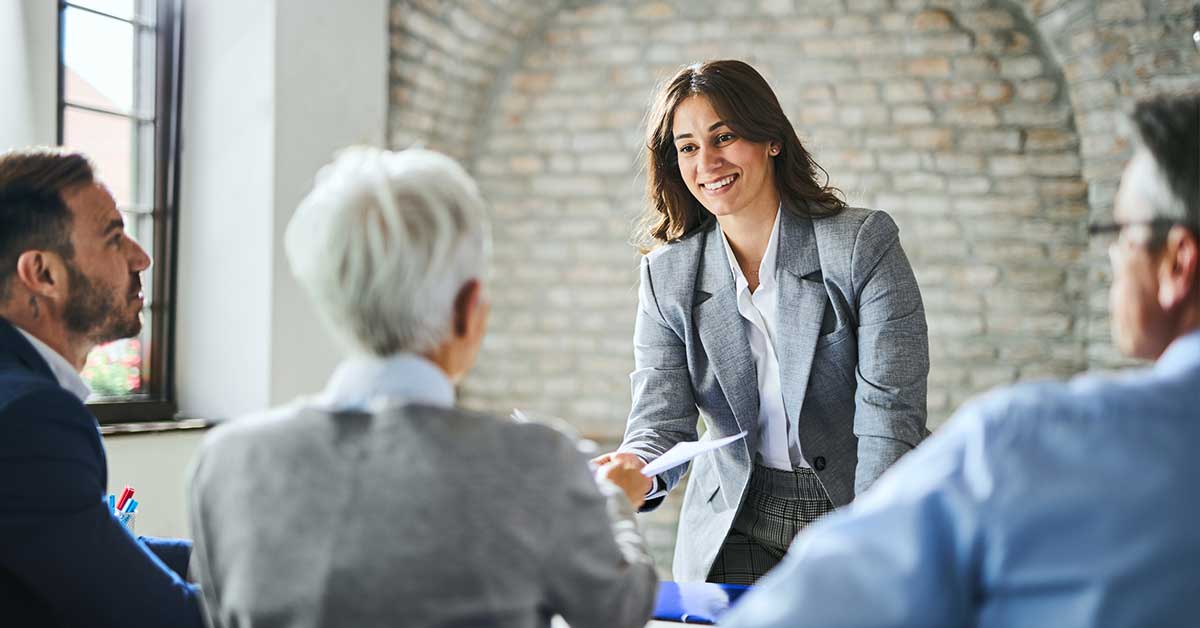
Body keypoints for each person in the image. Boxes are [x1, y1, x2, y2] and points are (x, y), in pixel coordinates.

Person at [722, 91, 1200, 627]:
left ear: (1178, 263)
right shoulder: (676, 269)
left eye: (1122, 234)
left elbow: (803, 610)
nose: (1114, 259)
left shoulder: (1028, 441)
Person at [187, 147, 657, 628]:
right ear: (468, 307)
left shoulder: (226, 463)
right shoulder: (535, 462)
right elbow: (618, 612)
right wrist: (613, 501)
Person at [592, 60, 930, 584]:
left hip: (856, 496)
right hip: (737, 515)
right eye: (687, 147)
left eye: (723, 137)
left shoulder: (862, 244)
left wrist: (870, 541)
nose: (706, 162)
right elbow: (661, 419)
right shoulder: (668, 274)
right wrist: (635, 469)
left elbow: (890, 416)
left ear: (770, 138)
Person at [0, 148, 203, 626]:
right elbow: (160, 618)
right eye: (114, 238)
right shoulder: (30, 417)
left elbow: (84, 540)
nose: (142, 257)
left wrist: (243, 561)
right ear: (43, 273)